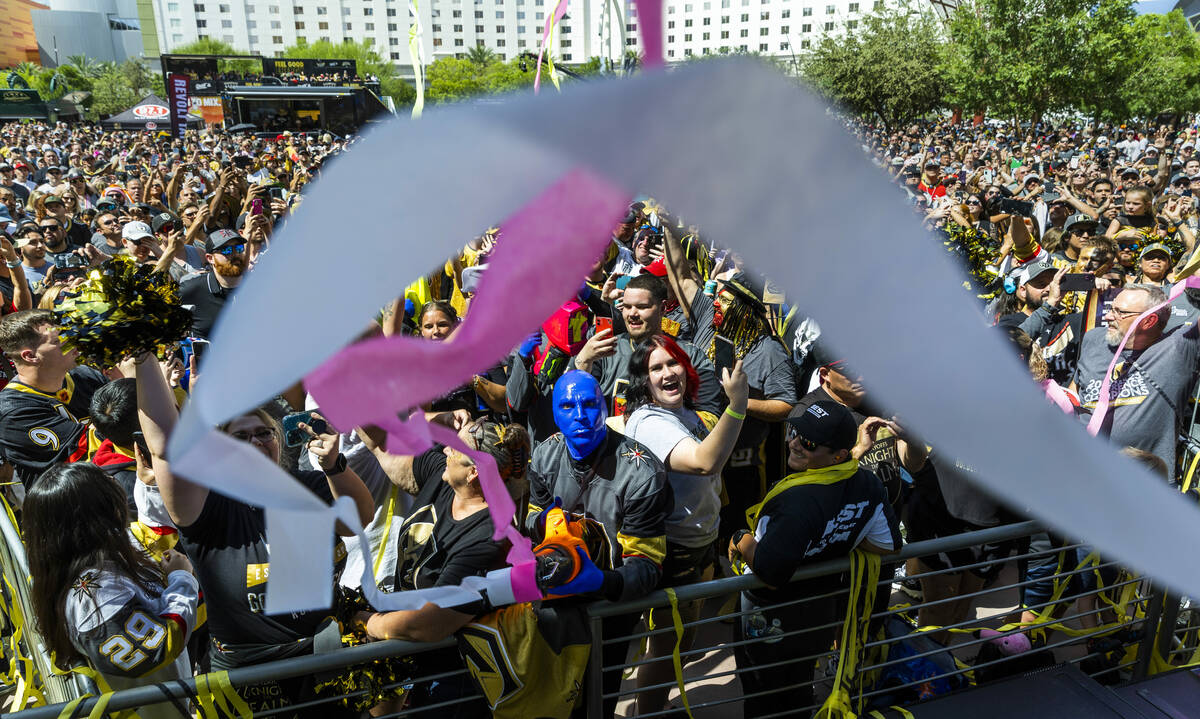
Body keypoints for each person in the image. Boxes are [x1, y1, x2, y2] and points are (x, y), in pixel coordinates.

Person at [131, 352, 374, 715]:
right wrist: (143, 355)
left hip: (323, 660)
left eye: (264, 433)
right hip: (250, 675)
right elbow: (167, 449)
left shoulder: (304, 485)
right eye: (241, 436)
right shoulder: (206, 505)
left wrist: (334, 466)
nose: (257, 442)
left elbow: (358, 519)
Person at [729, 400, 900, 718]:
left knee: (762, 699)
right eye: (795, 432)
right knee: (799, 689)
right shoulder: (867, 483)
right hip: (820, 613)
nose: (794, 443)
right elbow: (888, 545)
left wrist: (741, 539)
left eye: (807, 442)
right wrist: (839, 538)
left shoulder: (798, 502)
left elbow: (770, 570)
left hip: (769, 618)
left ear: (837, 455)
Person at [354, 419, 532, 717]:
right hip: (405, 652)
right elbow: (380, 442)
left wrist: (369, 623)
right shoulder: (443, 478)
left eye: (455, 447)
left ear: (473, 471)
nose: (446, 448)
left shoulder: (490, 538)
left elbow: (428, 622)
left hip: (452, 678)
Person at [525, 369, 669, 718]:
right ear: (555, 412)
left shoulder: (642, 472)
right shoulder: (545, 454)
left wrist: (602, 581)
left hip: (609, 606)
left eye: (589, 404)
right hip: (555, 598)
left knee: (596, 699)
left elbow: (648, 565)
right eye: (568, 405)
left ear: (605, 407)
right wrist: (543, 522)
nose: (579, 415)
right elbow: (530, 516)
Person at [620, 335, 748, 715]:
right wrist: (738, 405)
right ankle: (650, 713)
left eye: (672, 363)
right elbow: (706, 462)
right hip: (671, 551)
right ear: (644, 381)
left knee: (681, 639)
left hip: (700, 543)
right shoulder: (649, 421)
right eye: (655, 368)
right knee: (668, 644)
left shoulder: (686, 412)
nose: (667, 373)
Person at [25, 463, 200, 713]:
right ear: (94, 515)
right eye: (108, 488)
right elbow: (161, 646)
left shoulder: (107, 546)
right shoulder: (95, 597)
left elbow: (152, 533)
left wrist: (148, 485)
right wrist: (182, 579)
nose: (117, 483)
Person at [1072, 284, 1200, 483]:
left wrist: (1193, 281)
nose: (1107, 317)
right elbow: (1076, 391)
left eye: (1119, 312)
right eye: (1111, 308)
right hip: (1082, 474)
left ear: (1149, 320)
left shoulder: (1178, 350)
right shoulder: (1094, 339)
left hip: (1141, 485)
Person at [572, 273, 722, 420]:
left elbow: (710, 415)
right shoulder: (604, 350)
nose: (632, 314)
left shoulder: (690, 355)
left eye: (642, 307)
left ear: (663, 308)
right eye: (627, 306)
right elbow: (574, 404)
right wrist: (583, 362)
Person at [0, 309, 106, 489]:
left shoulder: (85, 375)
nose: (72, 341)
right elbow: (86, 452)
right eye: (59, 341)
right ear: (31, 356)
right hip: (73, 506)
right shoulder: (12, 411)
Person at [179, 229, 247, 339]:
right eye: (226, 250)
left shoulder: (259, 285)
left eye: (239, 248)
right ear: (210, 258)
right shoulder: (192, 289)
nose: (235, 254)